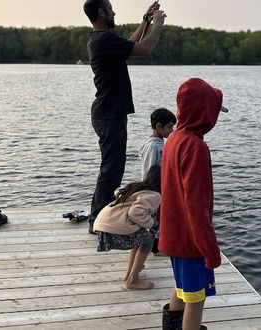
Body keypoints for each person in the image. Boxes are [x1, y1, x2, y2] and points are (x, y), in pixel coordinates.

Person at [83, 0, 166, 234]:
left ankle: (99, 218)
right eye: (110, 9)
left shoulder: (103, 40)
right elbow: (145, 49)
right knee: (111, 170)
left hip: (109, 113)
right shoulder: (104, 40)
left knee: (112, 168)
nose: (114, 12)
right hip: (109, 115)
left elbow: (130, 45)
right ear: (101, 12)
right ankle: (97, 221)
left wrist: (145, 21)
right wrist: (158, 25)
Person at [159, 78, 228, 330]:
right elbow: (196, 206)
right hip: (190, 241)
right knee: (196, 298)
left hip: (173, 235)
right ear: (205, 112)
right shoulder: (195, 147)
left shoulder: (175, 138)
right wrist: (210, 249)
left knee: (181, 288)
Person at [93, 165, 161, 290]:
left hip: (103, 227)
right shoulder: (154, 195)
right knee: (149, 238)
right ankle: (133, 280)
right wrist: (153, 223)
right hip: (115, 231)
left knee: (141, 236)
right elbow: (135, 213)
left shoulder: (135, 187)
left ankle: (129, 273)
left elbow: (119, 193)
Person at [139, 108, 176, 256]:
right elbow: (148, 169)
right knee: (155, 219)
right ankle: (155, 247)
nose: (171, 130)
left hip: (160, 187)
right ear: (159, 126)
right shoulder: (154, 147)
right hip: (154, 188)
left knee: (160, 218)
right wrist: (149, 190)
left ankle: (158, 245)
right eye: (169, 127)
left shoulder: (158, 142)